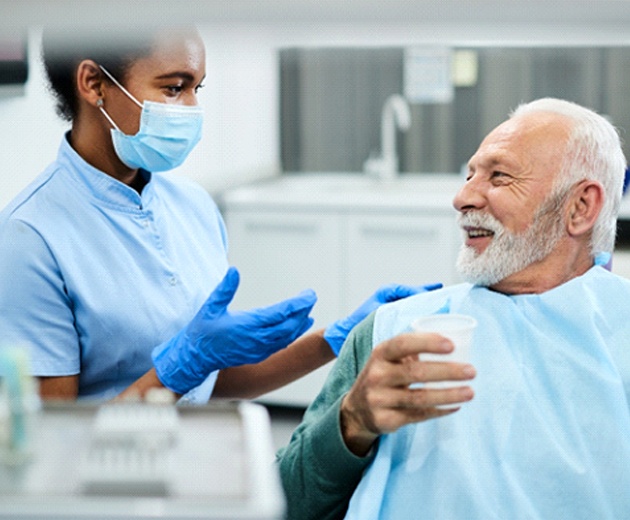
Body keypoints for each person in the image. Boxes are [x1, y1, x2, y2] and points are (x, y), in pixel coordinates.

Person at [0, 26, 439, 404]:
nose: (191, 108)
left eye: (197, 88)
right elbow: (54, 445)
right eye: (174, 87)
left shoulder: (192, 207)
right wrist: (177, 368)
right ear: (94, 83)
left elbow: (214, 380)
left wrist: (339, 337)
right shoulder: (30, 237)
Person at [277, 98, 630, 519]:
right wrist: (350, 422)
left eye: (498, 176)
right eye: (468, 175)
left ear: (580, 207)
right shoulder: (393, 336)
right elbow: (286, 502)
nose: (462, 197)